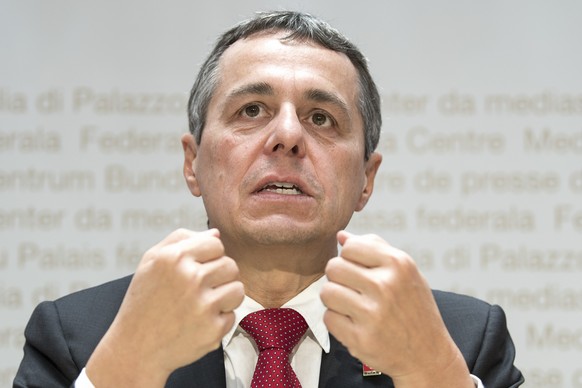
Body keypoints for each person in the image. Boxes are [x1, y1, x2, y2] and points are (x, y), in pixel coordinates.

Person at [14, 10, 524, 388]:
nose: (287, 136)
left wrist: (432, 373)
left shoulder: (462, 341)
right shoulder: (79, 336)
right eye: (252, 109)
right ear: (192, 163)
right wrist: (126, 366)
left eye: (321, 118)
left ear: (366, 179)